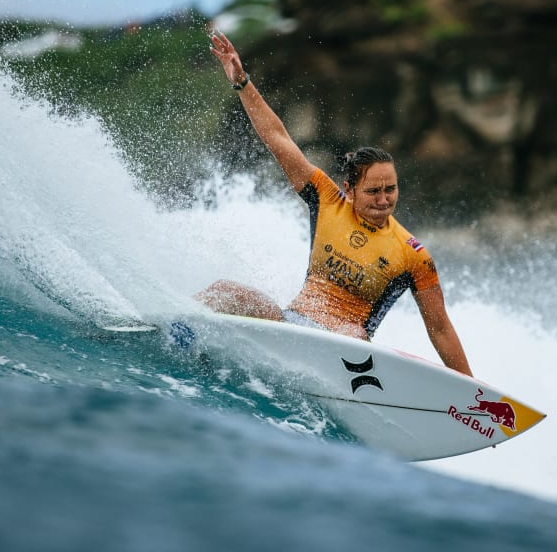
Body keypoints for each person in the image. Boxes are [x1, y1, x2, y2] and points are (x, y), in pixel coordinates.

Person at [196, 28, 473, 377]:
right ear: (350, 189)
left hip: (346, 351)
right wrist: (242, 82)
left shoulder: (412, 255)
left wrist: (472, 391)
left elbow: (440, 328)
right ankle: (169, 328)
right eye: (373, 191)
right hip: (291, 324)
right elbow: (278, 138)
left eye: (391, 189)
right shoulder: (327, 199)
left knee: (353, 334)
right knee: (224, 291)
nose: (384, 199)